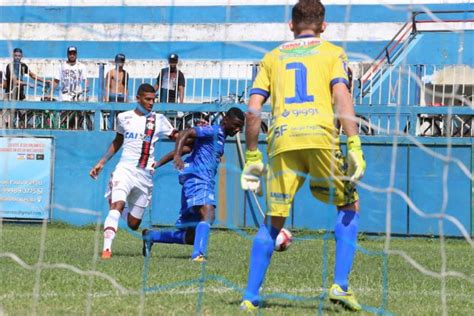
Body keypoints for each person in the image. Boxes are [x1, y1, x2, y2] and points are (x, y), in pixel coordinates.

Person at [239, 0, 366, 312]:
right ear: (323, 26)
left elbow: (253, 111)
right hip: (321, 138)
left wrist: (253, 155)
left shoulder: (272, 57)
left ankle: (250, 297)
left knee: (273, 221)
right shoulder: (332, 53)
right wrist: (354, 143)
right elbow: (341, 96)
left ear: (291, 25)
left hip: (282, 142)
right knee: (348, 204)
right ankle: (340, 285)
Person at [142, 107, 245, 262]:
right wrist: (177, 155)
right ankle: (198, 255)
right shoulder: (213, 131)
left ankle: (151, 236)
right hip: (198, 180)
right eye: (236, 124)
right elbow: (186, 133)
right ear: (226, 120)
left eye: (240, 127)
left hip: (199, 182)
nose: (237, 129)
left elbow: (187, 148)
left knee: (191, 236)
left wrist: (158, 163)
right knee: (208, 212)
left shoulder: (219, 138)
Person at [89, 83, 178, 259]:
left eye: (153, 100)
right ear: (138, 98)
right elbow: (118, 141)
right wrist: (102, 162)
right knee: (117, 205)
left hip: (145, 175)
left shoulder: (158, 120)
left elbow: (178, 137)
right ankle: (107, 249)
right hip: (125, 169)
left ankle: (118, 206)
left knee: (133, 223)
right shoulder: (124, 117)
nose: (151, 103)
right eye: (147, 99)